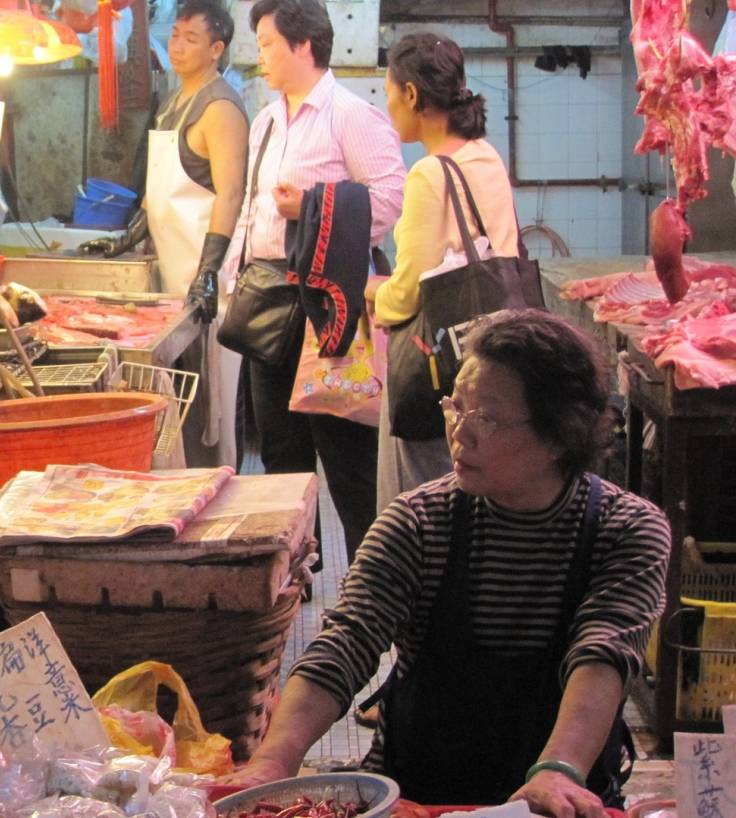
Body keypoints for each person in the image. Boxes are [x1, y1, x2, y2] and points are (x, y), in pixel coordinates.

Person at [227, 310, 672, 814]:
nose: (460, 433)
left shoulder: (627, 529)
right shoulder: (419, 521)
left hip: (557, 802)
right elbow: (347, 641)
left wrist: (559, 769)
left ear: (558, 435)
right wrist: (276, 760)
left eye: (486, 419)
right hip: (416, 795)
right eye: (454, 408)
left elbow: (603, 652)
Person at [224, 0, 405, 556]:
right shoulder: (266, 119)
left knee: (347, 456)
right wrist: (231, 275)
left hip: (329, 304)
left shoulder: (351, 115)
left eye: (269, 44)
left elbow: (389, 197)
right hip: (269, 299)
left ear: (304, 45)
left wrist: (313, 207)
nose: (261, 57)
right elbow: (252, 210)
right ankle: (295, 575)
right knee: (280, 453)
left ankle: (372, 582)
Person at [79, 0, 249, 468]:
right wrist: (127, 238)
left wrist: (209, 272)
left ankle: (219, 509)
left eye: (191, 39)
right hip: (174, 284)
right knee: (183, 409)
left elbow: (231, 194)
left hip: (207, 286)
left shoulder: (220, 109)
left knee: (212, 414)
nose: (177, 46)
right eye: (174, 35)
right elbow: (160, 193)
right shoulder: (176, 101)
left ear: (216, 49)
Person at [369, 33, 520, 511]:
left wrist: (376, 296)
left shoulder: (431, 173)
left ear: (412, 95)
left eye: (390, 94)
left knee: (420, 501)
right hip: (496, 356)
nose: (389, 107)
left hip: (438, 368)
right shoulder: (487, 157)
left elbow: (411, 288)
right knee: (480, 498)